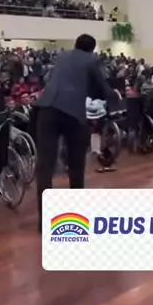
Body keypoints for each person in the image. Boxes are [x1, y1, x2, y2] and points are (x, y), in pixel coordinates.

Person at [35, 34, 117, 231]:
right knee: (76, 164)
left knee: (45, 166)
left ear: (75, 44)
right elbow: (101, 87)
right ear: (92, 49)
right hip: (72, 113)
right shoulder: (91, 59)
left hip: (46, 109)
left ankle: (43, 222)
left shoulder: (62, 57)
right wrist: (113, 98)